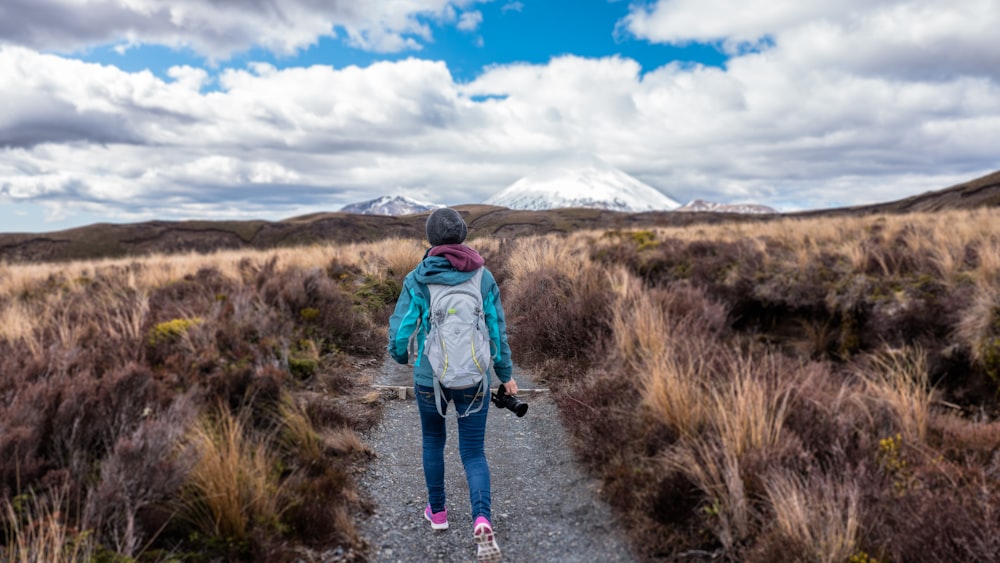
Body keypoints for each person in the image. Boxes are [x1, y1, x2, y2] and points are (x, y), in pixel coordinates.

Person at [388, 207, 516, 563]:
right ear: (461, 236)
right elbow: (496, 332)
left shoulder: (417, 278)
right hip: (475, 377)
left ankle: (439, 513)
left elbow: (401, 332)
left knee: (433, 440)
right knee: (473, 452)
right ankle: (481, 518)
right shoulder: (484, 276)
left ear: (431, 239)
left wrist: (401, 358)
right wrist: (505, 375)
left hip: (431, 377)